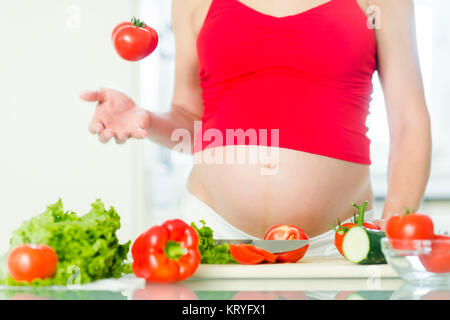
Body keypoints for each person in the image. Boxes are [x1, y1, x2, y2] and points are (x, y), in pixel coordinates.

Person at [80, 0, 431, 257]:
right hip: (214, 233)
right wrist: (146, 120)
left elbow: (409, 123)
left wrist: (394, 229)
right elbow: (190, 121)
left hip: (336, 243)